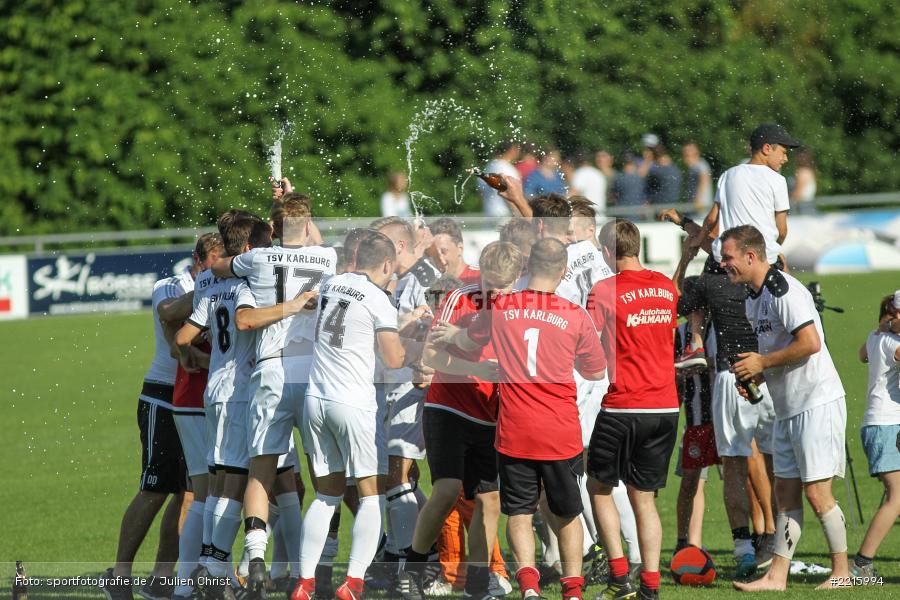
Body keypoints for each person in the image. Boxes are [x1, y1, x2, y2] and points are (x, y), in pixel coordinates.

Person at [433, 238, 608, 600]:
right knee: (567, 512)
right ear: (562, 273)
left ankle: (529, 588)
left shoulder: (502, 308)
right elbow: (595, 371)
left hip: (514, 428)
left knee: (520, 512)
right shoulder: (575, 314)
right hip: (559, 428)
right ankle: (573, 590)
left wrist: (452, 333)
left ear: (529, 269)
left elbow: (468, 340)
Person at [211, 195, 338, 598]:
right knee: (323, 476)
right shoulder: (328, 257)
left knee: (260, 471)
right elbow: (311, 241)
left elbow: (220, 264)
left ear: (272, 224)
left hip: (270, 370)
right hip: (315, 372)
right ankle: (320, 567)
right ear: (309, 220)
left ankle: (255, 558)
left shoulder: (257, 259)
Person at [720, 225, 850, 591]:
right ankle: (776, 577)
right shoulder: (751, 298)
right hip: (787, 406)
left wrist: (761, 363)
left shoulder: (784, 291)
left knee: (816, 493)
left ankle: (843, 574)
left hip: (816, 401)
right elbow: (780, 352)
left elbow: (810, 343)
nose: (723, 263)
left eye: (728, 257)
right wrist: (758, 378)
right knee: (785, 494)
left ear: (751, 256)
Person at [102, 233, 222, 600]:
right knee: (155, 488)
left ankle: (161, 577)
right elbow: (175, 342)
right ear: (196, 260)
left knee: (188, 494)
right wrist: (206, 289)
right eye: (210, 264)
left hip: (197, 401)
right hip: (162, 396)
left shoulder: (219, 284)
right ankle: (120, 573)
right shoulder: (171, 284)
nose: (216, 270)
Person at [399, 243, 522, 600]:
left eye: (502, 286)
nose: (493, 293)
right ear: (480, 273)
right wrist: (475, 368)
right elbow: (431, 356)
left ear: (515, 279)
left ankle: (479, 584)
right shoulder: (460, 298)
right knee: (448, 489)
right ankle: (413, 566)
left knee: (489, 501)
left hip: (491, 415)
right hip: (449, 407)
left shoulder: (522, 304)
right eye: (489, 284)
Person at [292, 232, 407, 600]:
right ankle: (354, 581)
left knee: (326, 494)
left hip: (316, 399)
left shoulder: (331, 283)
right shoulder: (379, 298)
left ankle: (305, 582)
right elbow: (393, 360)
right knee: (370, 494)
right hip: (353, 403)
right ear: (387, 265)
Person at [663, 209, 778, 578]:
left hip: (734, 375)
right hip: (769, 374)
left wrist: (687, 246)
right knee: (768, 460)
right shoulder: (769, 278)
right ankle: (771, 539)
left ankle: (752, 545)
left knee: (738, 463)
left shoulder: (709, 280)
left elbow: (674, 301)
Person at [586, 219, 680, 600]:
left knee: (598, 487)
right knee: (644, 497)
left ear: (608, 252)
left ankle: (620, 578)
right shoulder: (666, 287)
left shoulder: (604, 289)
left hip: (624, 404)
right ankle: (651, 588)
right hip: (666, 407)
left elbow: (587, 345)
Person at [689, 123, 802, 267]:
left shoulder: (727, 175)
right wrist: (772, 248)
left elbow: (711, 219)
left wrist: (698, 241)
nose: (785, 159)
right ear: (767, 149)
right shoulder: (778, 180)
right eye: (783, 152)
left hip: (726, 260)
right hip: (760, 262)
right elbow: (782, 231)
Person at [851, 292, 900, 581]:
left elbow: (861, 355)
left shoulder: (876, 336)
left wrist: (882, 328)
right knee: (896, 497)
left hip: (882, 424)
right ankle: (861, 565)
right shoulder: (893, 344)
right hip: (886, 425)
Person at [672, 301, 719, 555]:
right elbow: (675, 382)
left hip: (725, 419)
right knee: (691, 482)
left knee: (742, 479)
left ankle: (755, 539)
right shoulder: (679, 335)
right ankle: (687, 543)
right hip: (695, 421)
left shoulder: (720, 327)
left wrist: (707, 363)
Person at [429, 217, 480, 283]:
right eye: (434, 254)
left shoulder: (481, 278)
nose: (440, 259)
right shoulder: (431, 285)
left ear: (460, 249)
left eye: (444, 252)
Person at [480, 141, 521, 217]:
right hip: (504, 213)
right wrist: (517, 215)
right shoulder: (507, 169)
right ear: (512, 150)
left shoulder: (489, 166)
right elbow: (510, 192)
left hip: (489, 213)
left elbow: (481, 192)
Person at [609, 151, 646, 221]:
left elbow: (612, 197)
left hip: (622, 213)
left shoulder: (618, 178)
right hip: (637, 214)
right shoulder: (640, 178)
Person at [570, 150, 607, 215]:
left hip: (587, 216)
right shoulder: (598, 174)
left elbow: (573, 192)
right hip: (600, 215)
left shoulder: (581, 173)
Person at [682, 142, 713, 216]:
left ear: (696, 154)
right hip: (694, 206)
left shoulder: (700, 165)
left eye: (687, 155)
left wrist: (698, 200)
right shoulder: (693, 167)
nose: (685, 158)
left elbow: (704, 180)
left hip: (701, 207)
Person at [789, 150, 817, 215]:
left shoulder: (801, 172)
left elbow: (798, 193)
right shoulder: (810, 171)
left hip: (801, 207)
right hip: (809, 205)